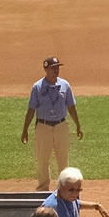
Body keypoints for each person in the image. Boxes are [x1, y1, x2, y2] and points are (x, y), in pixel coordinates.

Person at [21, 56, 82, 191]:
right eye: (53, 68)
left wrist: (78, 125)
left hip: (61, 126)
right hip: (43, 126)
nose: (56, 70)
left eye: (57, 68)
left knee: (63, 160)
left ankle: (64, 189)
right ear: (45, 69)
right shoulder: (37, 87)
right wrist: (25, 129)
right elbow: (31, 110)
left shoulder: (65, 85)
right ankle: (43, 189)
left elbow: (71, 107)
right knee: (43, 160)